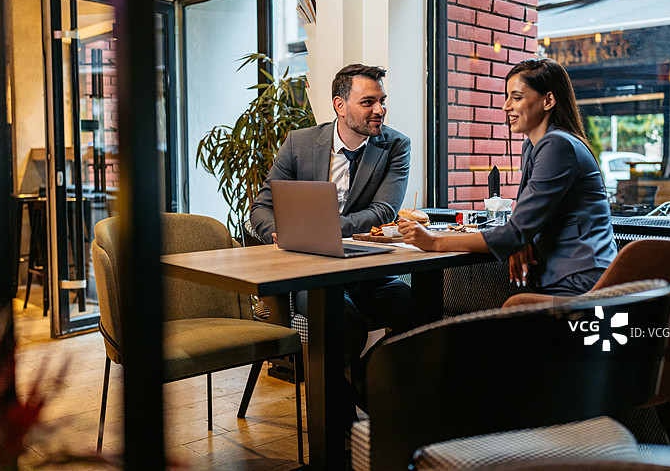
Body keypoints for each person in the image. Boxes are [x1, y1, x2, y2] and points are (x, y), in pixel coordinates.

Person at [250, 63, 412, 413]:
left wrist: (322, 226)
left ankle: (372, 383)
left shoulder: (396, 145)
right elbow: (262, 207)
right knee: (344, 321)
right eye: (368, 102)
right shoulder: (300, 143)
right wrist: (277, 233)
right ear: (340, 105)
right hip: (312, 272)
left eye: (382, 101)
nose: (380, 110)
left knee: (414, 307)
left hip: (366, 269)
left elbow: (383, 211)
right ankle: (340, 432)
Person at [398, 58, 616, 298]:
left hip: (582, 284)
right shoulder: (533, 147)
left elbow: (516, 231)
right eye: (507, 97)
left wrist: (434, 241)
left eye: (517, 97)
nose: (505, 106)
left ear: (549, 100)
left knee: (502, 313)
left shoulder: (558, 145)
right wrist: (519, 241)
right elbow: (522, 224)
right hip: (560, 278)